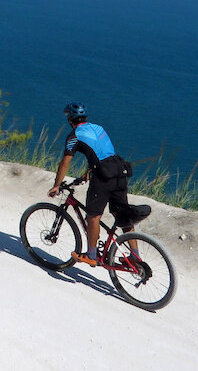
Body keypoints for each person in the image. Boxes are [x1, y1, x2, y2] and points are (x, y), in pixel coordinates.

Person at [48, 102, 135, 267]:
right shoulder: (98, 128)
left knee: (93, 216)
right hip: (119, 170)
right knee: (122, 216)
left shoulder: (74, 136)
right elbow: (102, 152)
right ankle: (135, 257)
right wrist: (89, 171)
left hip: (103, 178)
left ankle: (91, 255)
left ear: (70, 119)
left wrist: (56, 185)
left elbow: (65, 163)